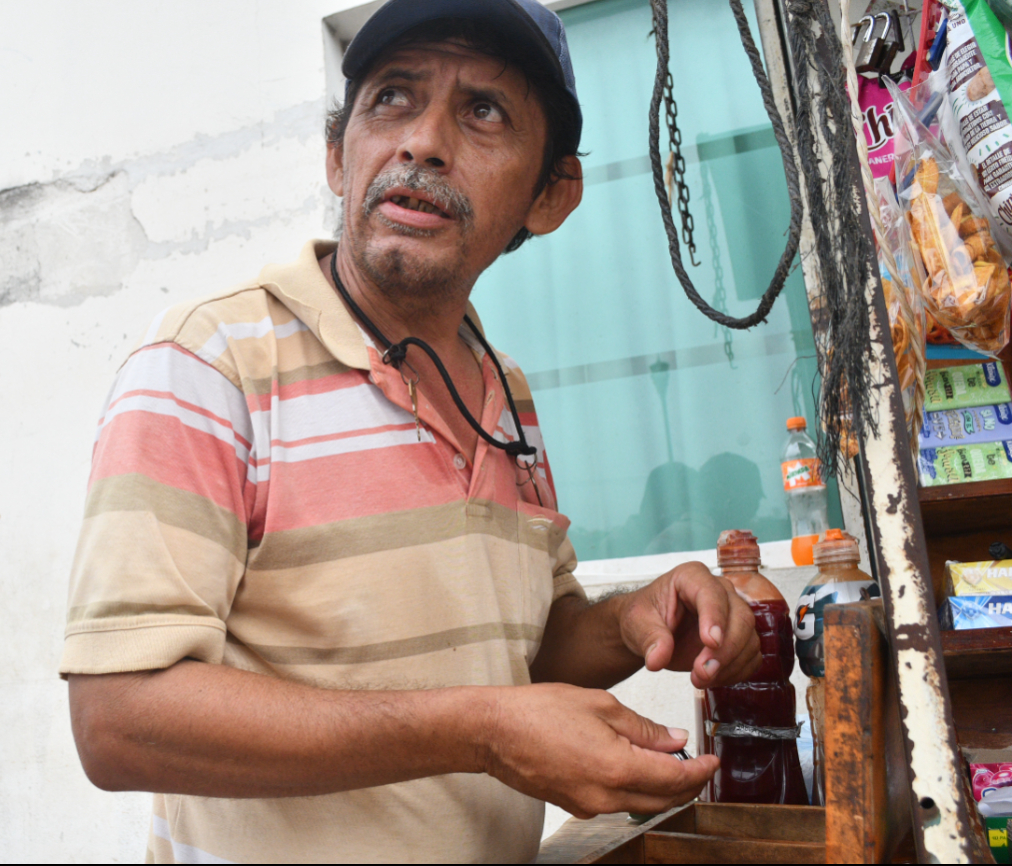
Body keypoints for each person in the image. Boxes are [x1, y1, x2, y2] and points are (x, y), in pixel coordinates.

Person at [62, 0, 761, 860]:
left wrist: (629, 624)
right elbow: (120, 722)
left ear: (551, 195)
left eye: (483, 111)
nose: (423, 141)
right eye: (390, 98)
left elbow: (523, 654)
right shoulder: (210, 365)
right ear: (336, 154)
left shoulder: (505, 395)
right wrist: (481, 731)